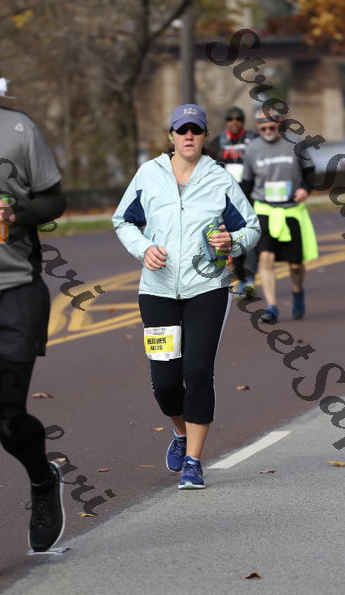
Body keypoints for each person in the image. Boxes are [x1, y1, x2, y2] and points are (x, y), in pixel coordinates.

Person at [112, 104, 260, 489]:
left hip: (207, 288)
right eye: (182, 130)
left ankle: (193, 461)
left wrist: (232, 240)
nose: (189, 135)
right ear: (171, 136)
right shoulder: (149, 174)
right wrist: (144, 248)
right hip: (157, 290)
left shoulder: (219, 178)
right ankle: (180, 431)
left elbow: (251, 228)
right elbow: (123, 220)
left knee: (197, 373)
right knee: (165, 382)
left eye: (196, 129)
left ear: (205, 136)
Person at [0, 37, 66, 580]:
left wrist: (15, 209)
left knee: (5, 416)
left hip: (12, 290)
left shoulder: (17, 129)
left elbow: (55, 199)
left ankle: (41, 476)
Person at [241, 109, 318, 324]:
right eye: (262, 128)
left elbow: (309, 171)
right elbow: (247, 183)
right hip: (264, 209)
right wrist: (244, 212)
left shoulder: (296, 143)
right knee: (265, 257)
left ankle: (297, 291)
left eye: (271, 127)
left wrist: (305, 190)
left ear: (280, 123)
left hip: (291, 209)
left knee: (295, 265)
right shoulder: (253, 149)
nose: (267, 131)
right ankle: (272, 307)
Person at [208, 106, 258, 299]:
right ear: (226, 122)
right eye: (230, 119)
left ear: (243, 122)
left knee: (251, 239)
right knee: (232, 239)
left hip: (251, 196)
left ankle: (250, 279)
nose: (234, 122)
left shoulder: (253, 140)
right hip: (228, 200)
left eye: (238, 119)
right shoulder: (218, 143)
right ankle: (241, 278)